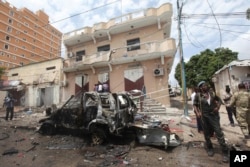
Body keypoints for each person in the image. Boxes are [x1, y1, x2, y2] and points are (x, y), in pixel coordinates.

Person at [193, 81, 229, 163]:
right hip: (204, 117)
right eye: (204, 86)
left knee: (219, 132)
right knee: (207, 133)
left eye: (206, 85)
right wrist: (198, 112)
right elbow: (195, 105)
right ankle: (209, 148)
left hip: (214, 116)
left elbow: (219, 100)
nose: (206, 86)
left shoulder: (212, 93)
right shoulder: (198, 95)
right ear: (201, 88)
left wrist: (218, 107)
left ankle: (225, 152)